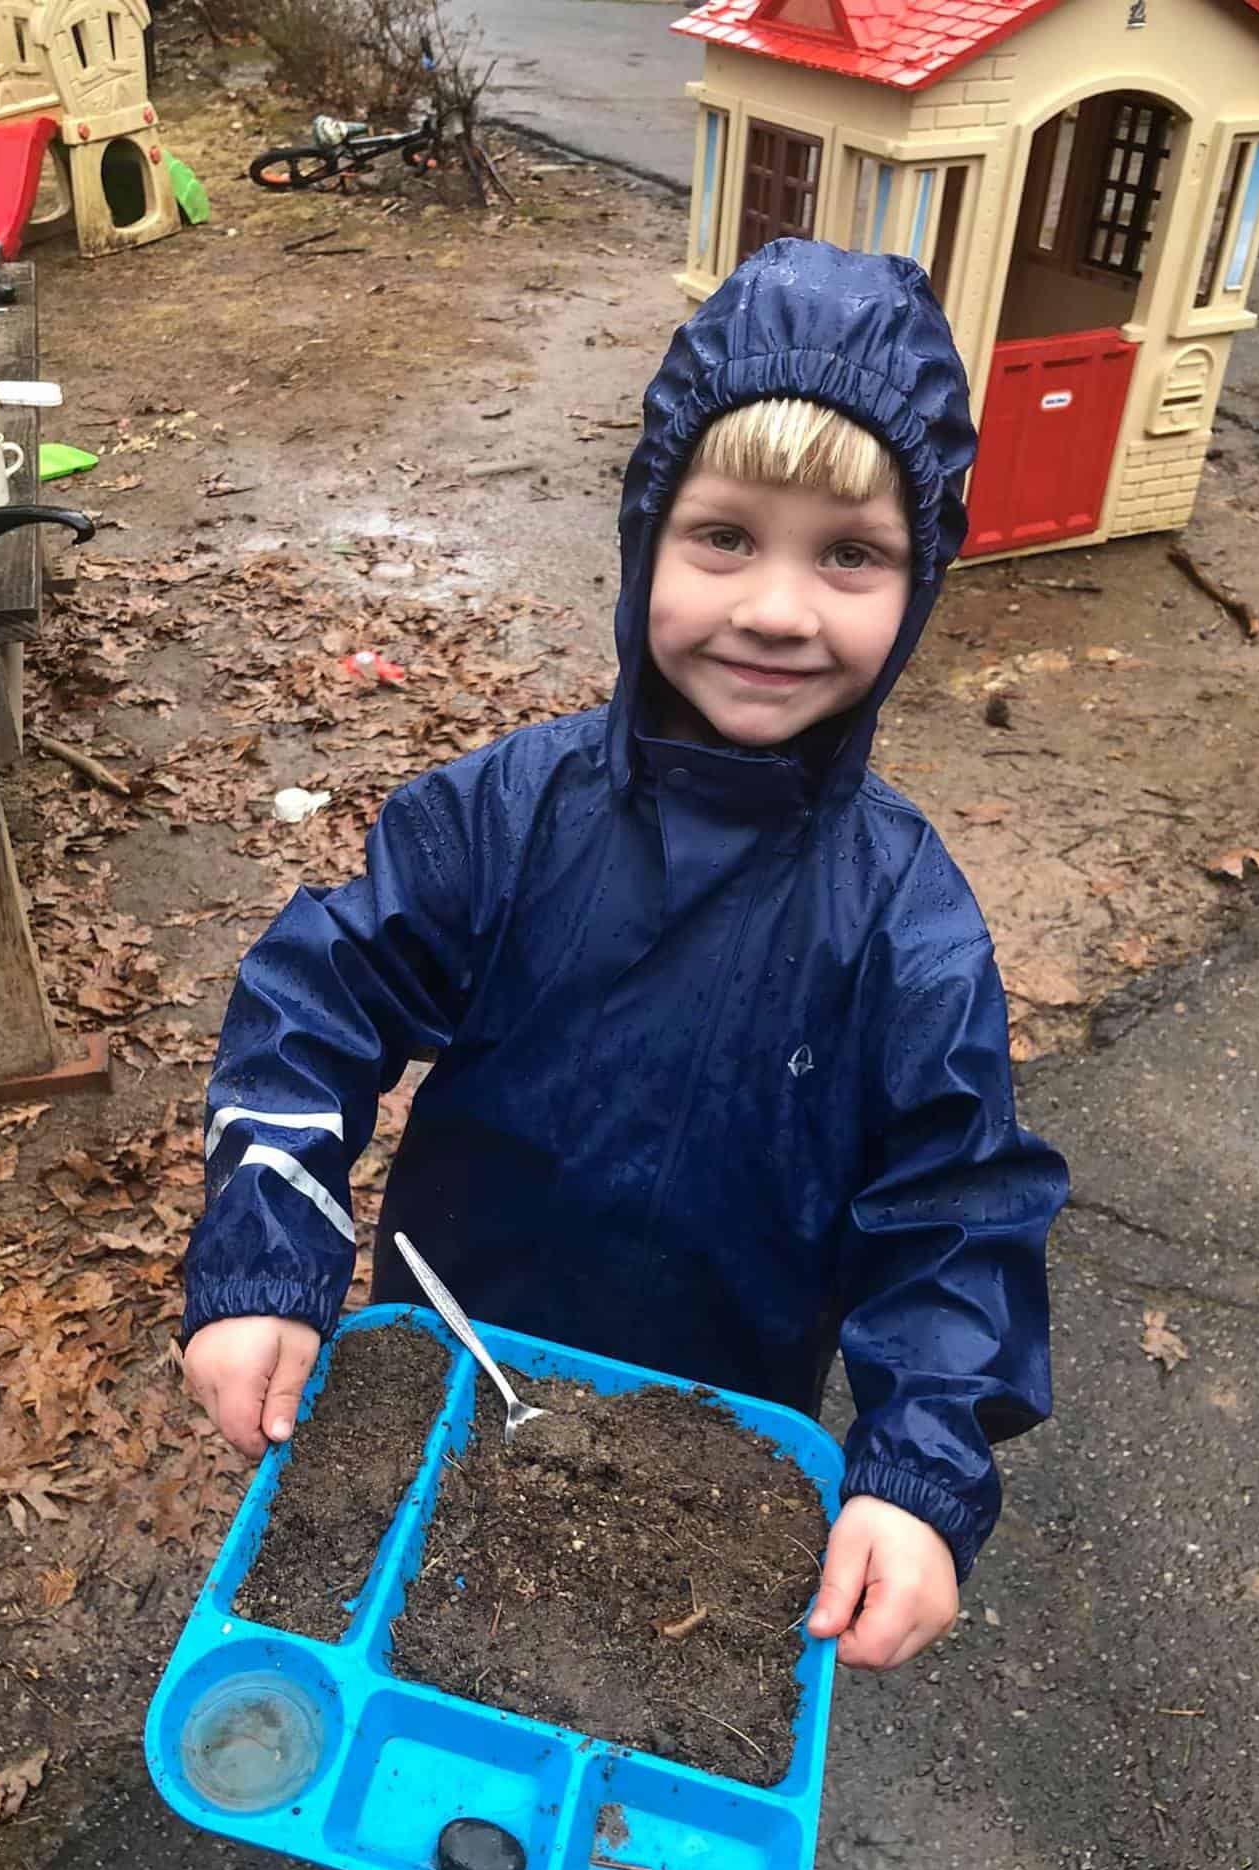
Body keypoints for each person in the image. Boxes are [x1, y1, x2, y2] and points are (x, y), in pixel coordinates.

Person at [181, 238, 1068, 1672]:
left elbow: (957, 1215)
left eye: (851, 555)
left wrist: (919, 1474)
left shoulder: (906, 922)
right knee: (435, 1666)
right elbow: (316, 1003)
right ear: (646, 535)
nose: (779, 609)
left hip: (715, 1439)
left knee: (634, 1698)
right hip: (457, 1369)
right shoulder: (508, 816)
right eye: (726, 536)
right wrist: (264, 1264)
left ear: (923, 585)